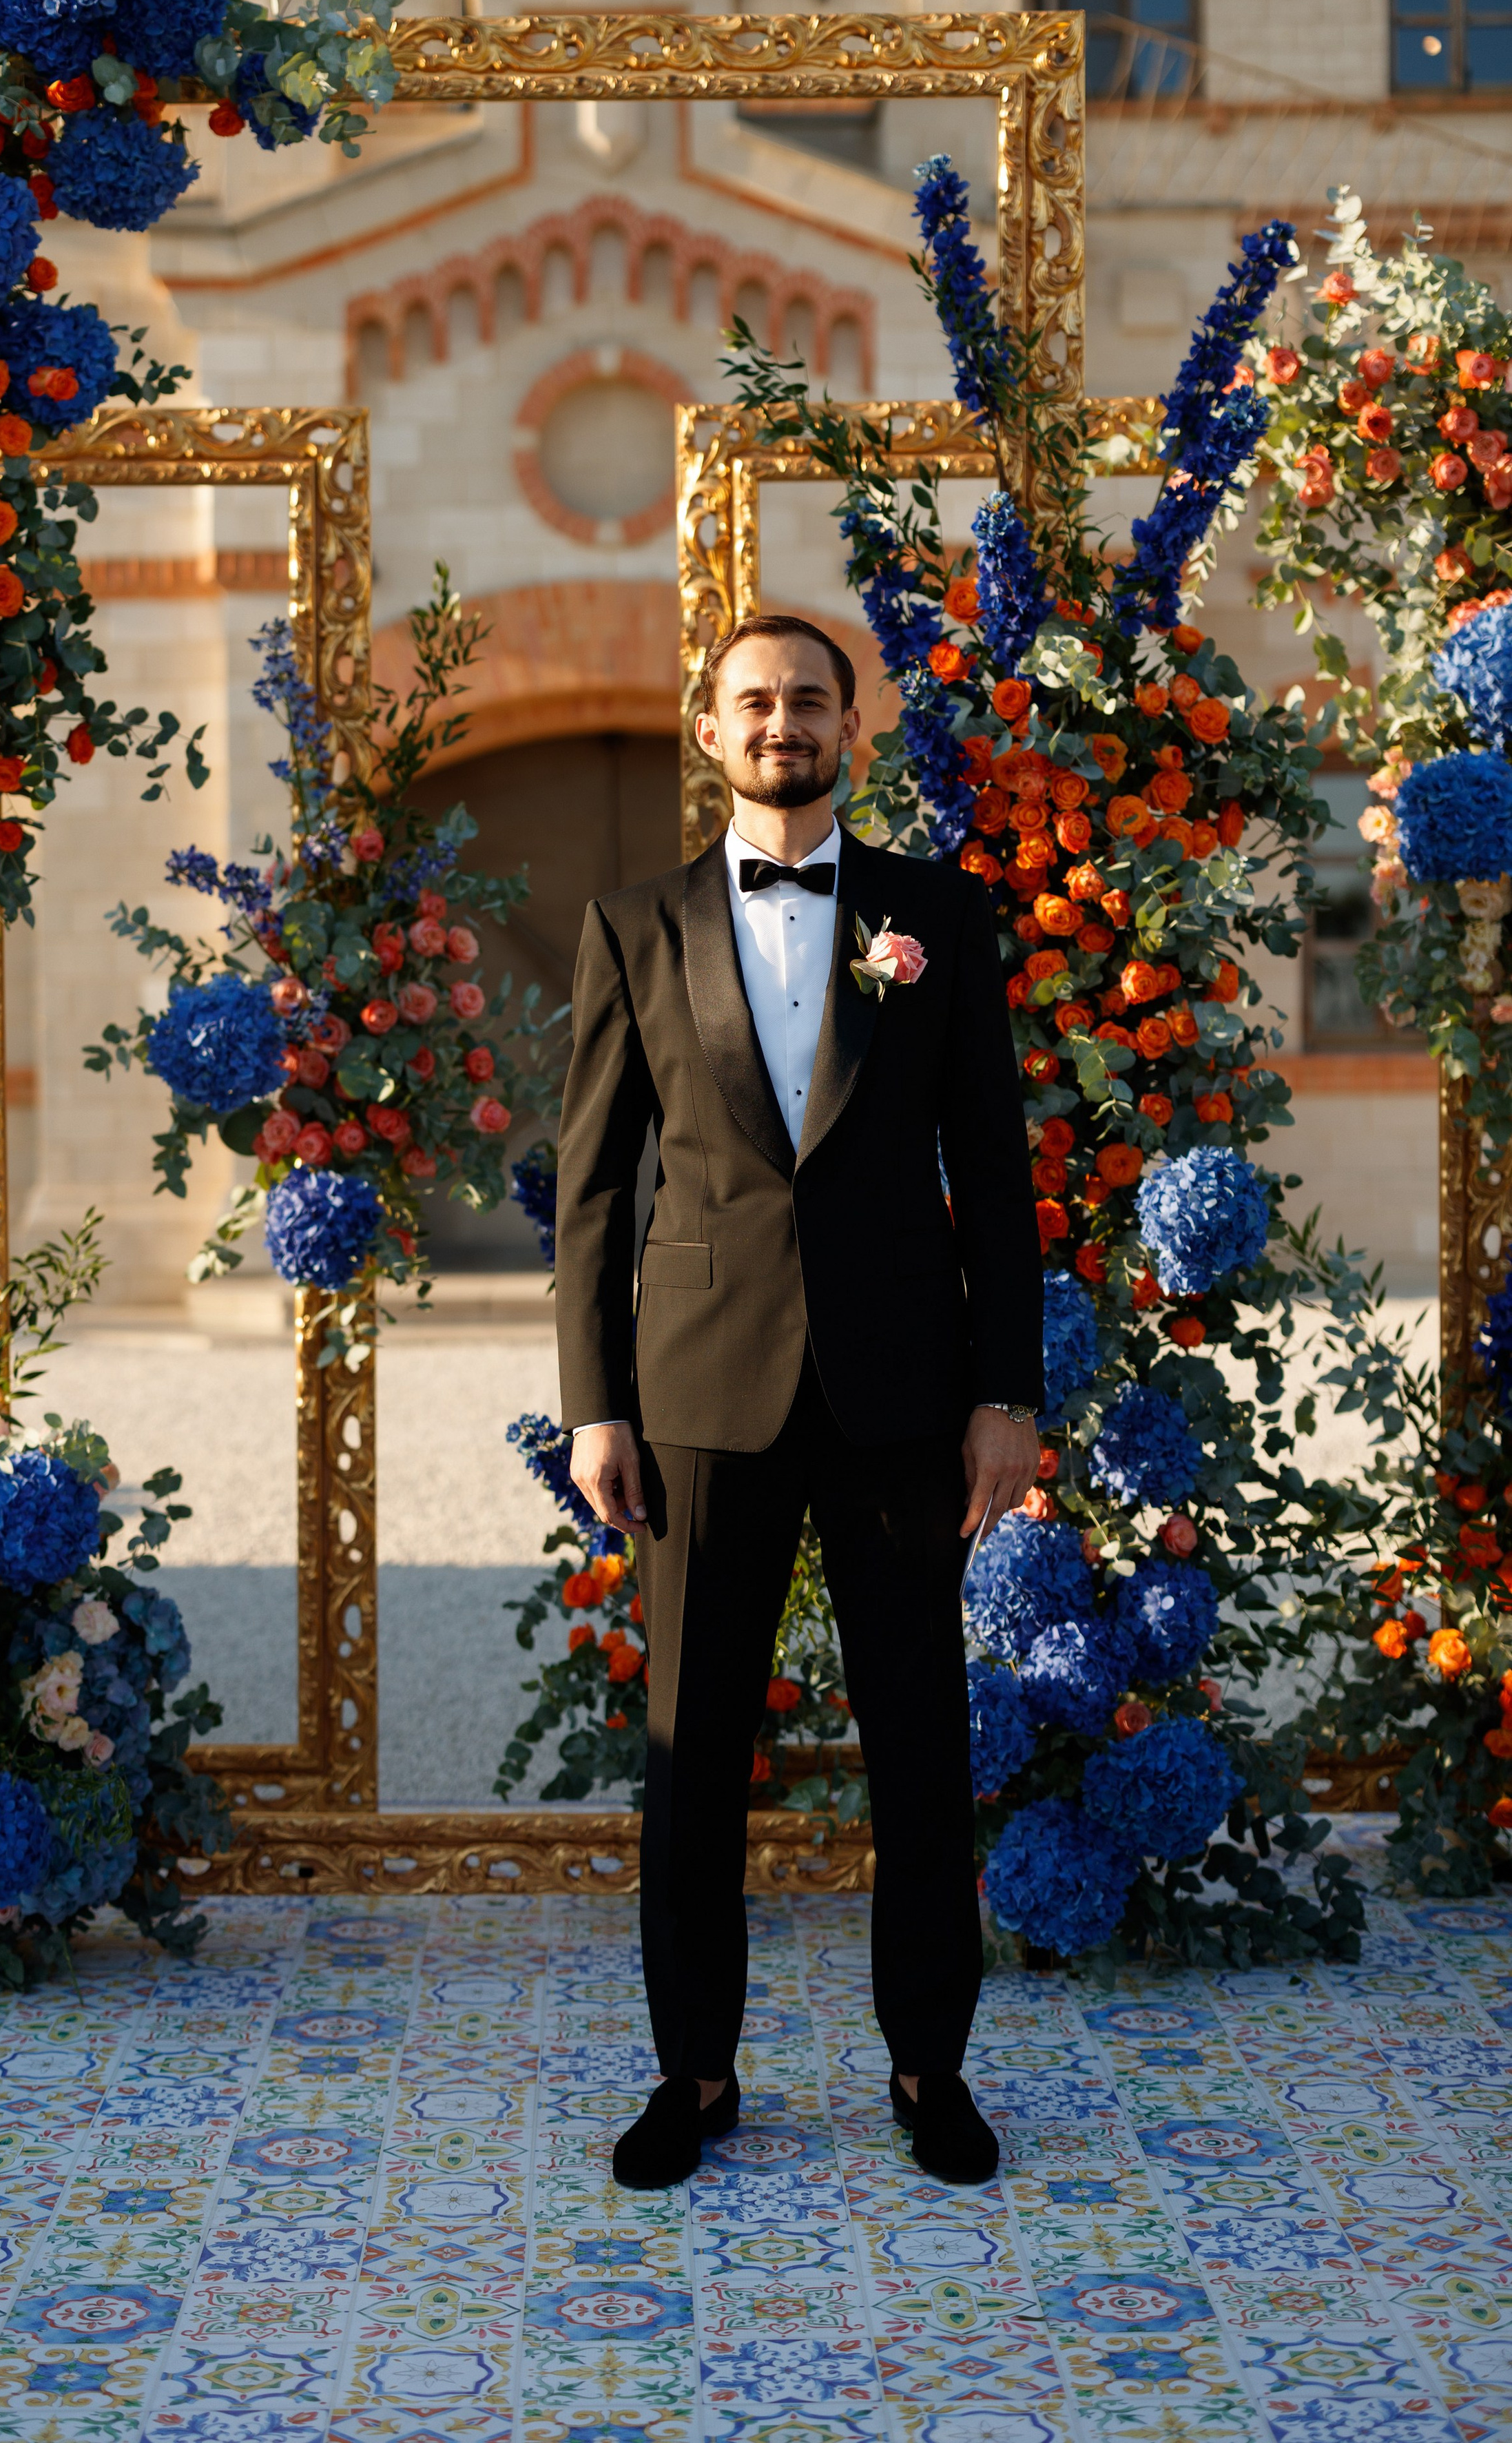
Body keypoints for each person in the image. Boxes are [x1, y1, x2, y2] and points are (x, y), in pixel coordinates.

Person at [555, 611, 1042, 2192]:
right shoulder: (630, 924)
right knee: (692, 1750)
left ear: (852, 724)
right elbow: (591, 1192)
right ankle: (692, 2073)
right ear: (710, 729)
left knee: (917, 1737)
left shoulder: (938, 918)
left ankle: (929, 2065)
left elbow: (998, 1173)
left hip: (904, 1388)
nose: (781, 723)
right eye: (752, 702)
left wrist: (1004, 1393)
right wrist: (594, 1404)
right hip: (698, 1394)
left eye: (807, 701)